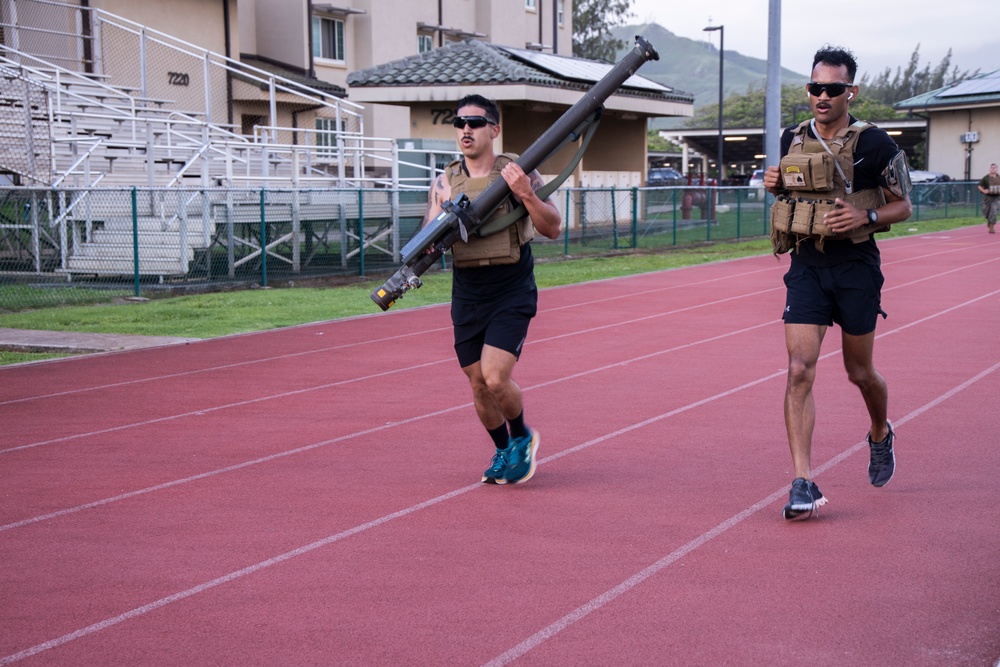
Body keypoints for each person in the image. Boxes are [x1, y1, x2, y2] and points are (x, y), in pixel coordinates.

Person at [763, 46, 913, 521]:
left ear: (851, 90)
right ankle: (803, 481)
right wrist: (775, 184)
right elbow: (796, 187)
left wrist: (866, 213)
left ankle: (879, 431)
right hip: (808, 265)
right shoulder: (793, 136)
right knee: (799, 368)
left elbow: (905, 206)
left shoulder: (876, 144)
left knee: (859, 373)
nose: (822, 96)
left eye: (832, 88)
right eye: (815, 88)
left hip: (856, 268)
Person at [422, 94, 561, 484]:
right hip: (467, 291)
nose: (466, 129)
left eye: (476, 122)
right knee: (478, 382)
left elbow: (552, 227)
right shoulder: (445, 180)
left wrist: (526, 194)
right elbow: (426, 243)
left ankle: (521, 437)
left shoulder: (519, 171)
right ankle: (503, 450)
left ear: (494, 130)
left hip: (511, 287)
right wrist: (440, 217)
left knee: (496, 376)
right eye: (459, 122)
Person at [977, 163, 999, 234]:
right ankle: (989, 221)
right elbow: (979, 185)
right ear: (990, 169)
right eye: (991, 168)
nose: (993, 169)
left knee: (994, 212)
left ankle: (991, 228)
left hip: (996, 198)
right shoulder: (986, 178)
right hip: (987, 197)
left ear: (997, 169)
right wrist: (983, 190)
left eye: (994, 168)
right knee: (986, 212)